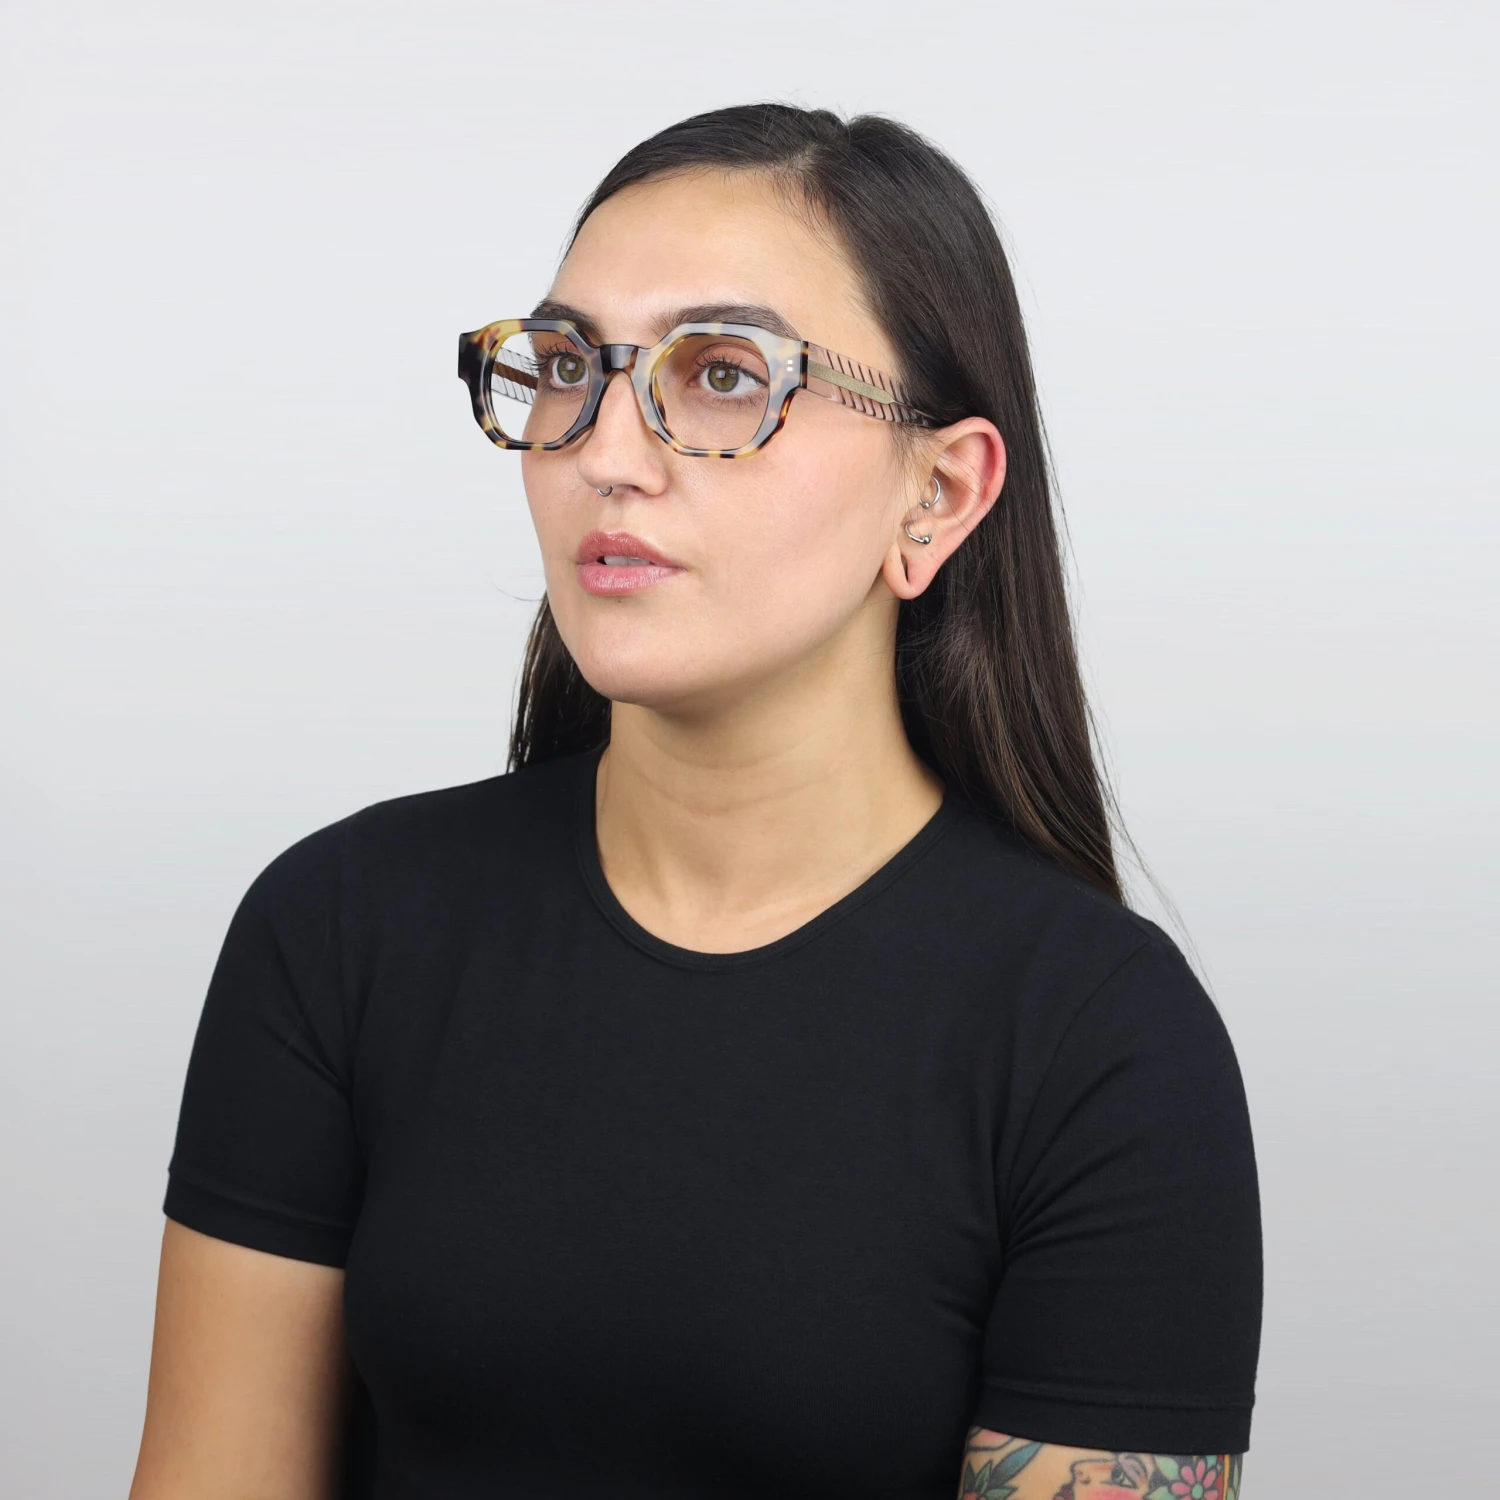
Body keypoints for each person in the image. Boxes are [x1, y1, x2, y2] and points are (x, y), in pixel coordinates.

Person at [128, 104, 1261, 1500]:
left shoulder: (1105, 1049)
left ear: (939, 492)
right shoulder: (342, 930)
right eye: (567, 367)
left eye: (723, 374)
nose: (606, 452)